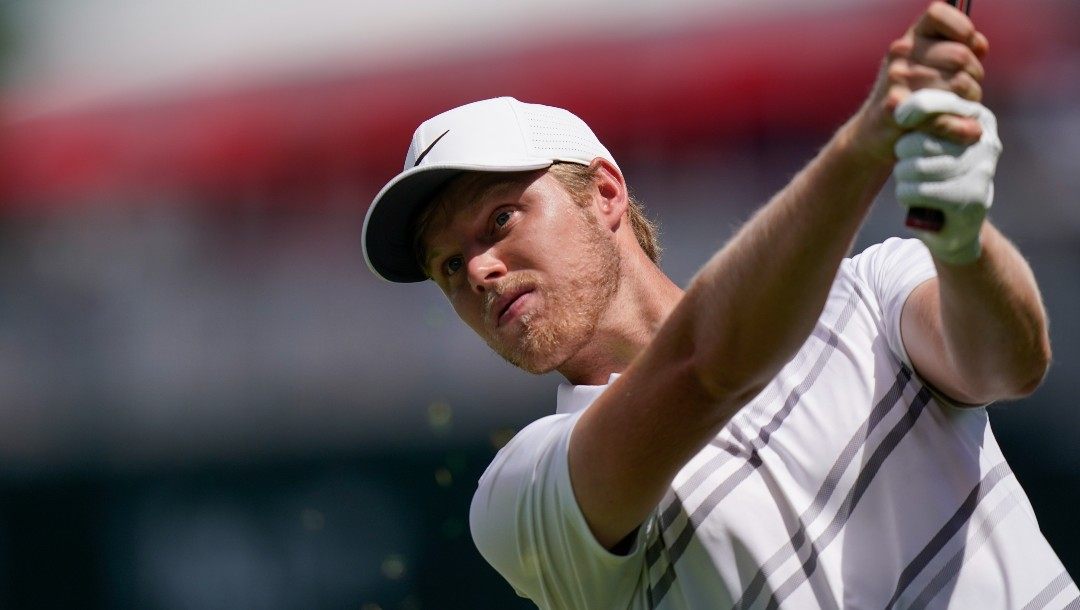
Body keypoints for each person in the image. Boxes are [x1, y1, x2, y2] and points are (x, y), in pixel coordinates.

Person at [362, 2, 1076, 608]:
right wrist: (866, 145)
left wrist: (962, 243)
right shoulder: (519, 495)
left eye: (499, 220)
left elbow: (1010, 365)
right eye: (449, 266)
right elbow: (705, 368)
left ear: (605, 193)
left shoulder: (872, 288)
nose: (479, 271)